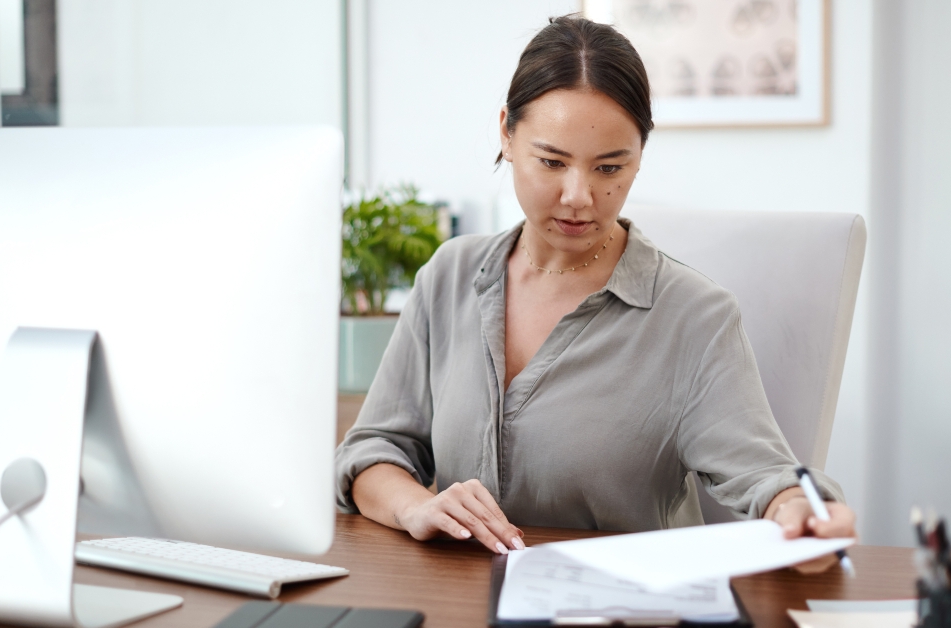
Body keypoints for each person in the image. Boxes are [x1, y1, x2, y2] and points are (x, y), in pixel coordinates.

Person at [334, 15, 856, 567]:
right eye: (552, 162)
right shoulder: (449, 276)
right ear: (507, 133)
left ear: (640, 156)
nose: (579, 196)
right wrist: (417, 506)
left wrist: (803, 512)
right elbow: (372, 451)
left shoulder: (695, 317)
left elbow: (767, 479)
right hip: (457, 603)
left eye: (610, 167)